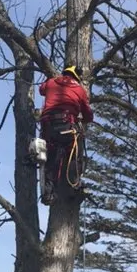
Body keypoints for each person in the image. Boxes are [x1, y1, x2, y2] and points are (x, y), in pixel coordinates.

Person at [38, 65, 94, 204]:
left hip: (48, 127)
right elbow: (88, 114)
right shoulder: (80, 90)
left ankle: (48, 193)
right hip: (68, 126)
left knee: (50, 158)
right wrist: (84, 118)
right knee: (75, 155)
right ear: (77, 76)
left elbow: (41, 90)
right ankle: (73, 187)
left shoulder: (51, 82)